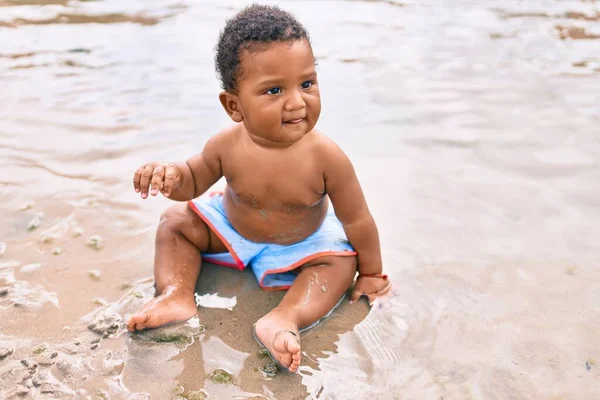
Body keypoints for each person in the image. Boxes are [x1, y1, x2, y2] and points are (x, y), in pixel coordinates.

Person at [126, 4, 391, 373]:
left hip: (304, 244)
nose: (297, 101)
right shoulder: (226, 145)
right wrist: (168, 175)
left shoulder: (327, 157)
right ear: (234, 105)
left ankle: (284, 318)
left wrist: (373, 273)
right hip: (234, 230)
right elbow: (192, 179)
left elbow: (358, 220)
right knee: (174, 221)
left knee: (341, 265)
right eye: (274, 90)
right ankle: (176, 294)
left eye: (307, 83)